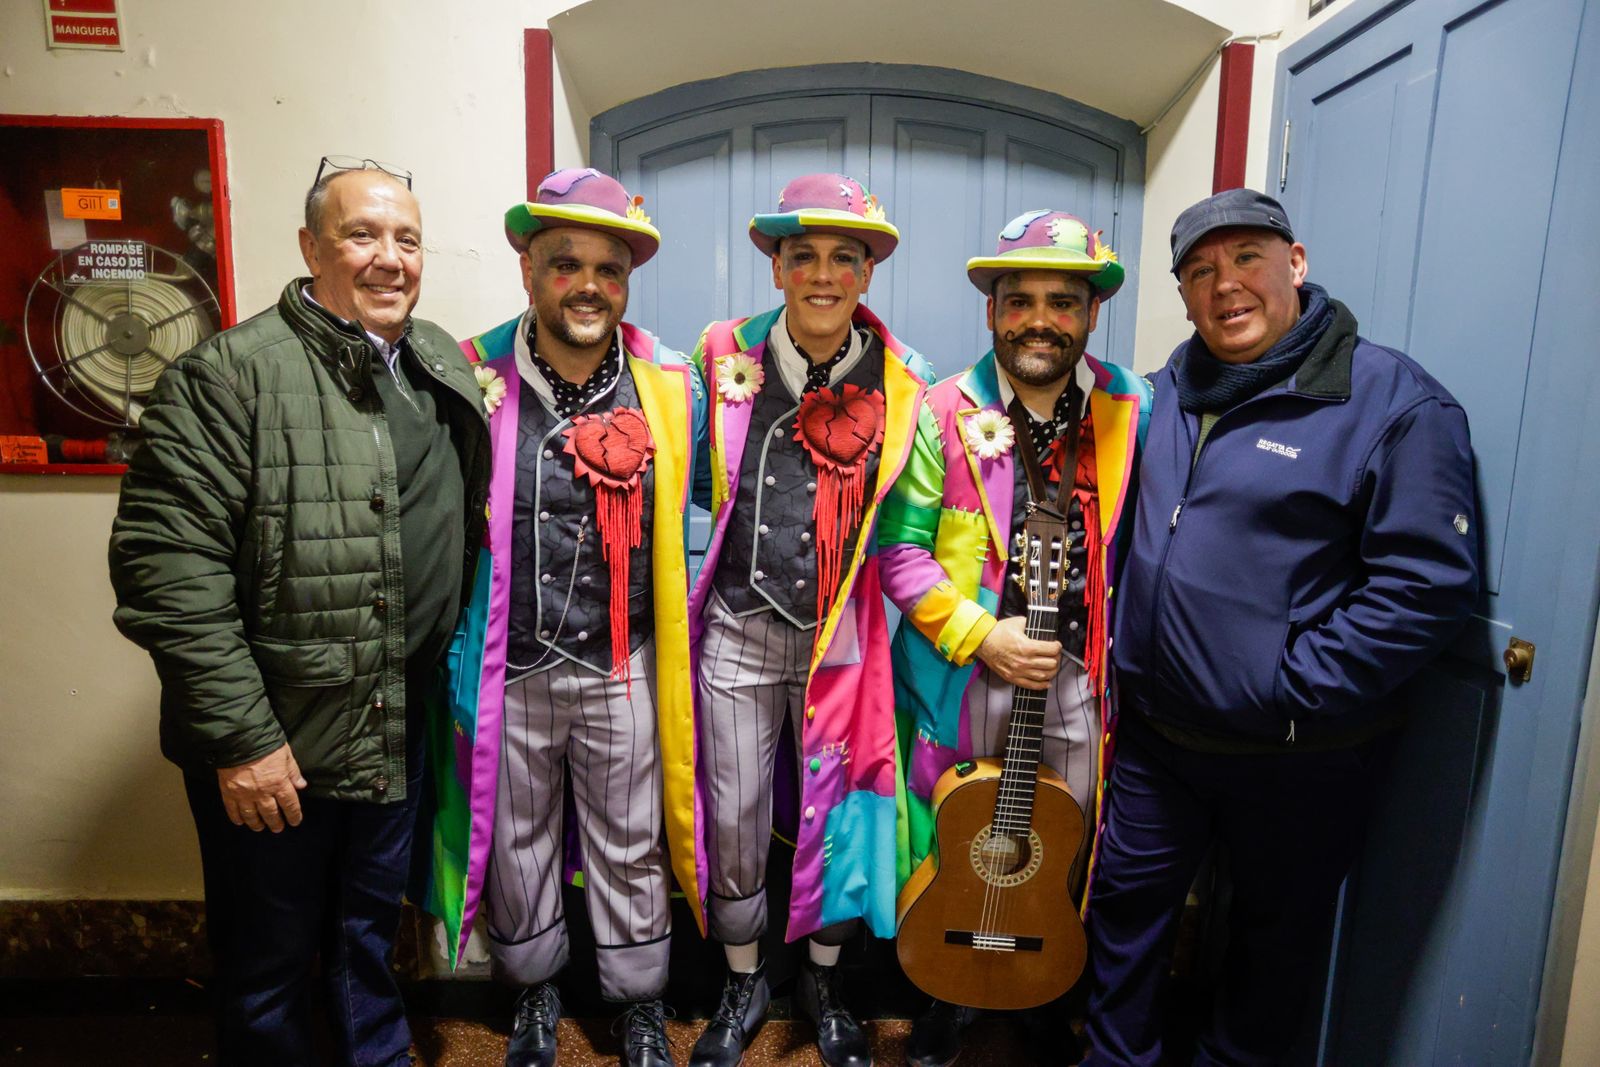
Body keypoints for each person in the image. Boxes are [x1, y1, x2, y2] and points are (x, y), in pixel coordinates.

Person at [1081, 188, 1480, 1066]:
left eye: (1246, 259)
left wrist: (1288, 684)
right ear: (1184, 295)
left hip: (1301, 757)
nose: (1225, 284)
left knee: (1271, 951)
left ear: (1295, 264)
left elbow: (1426, 587)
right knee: (1124, 918)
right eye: (1199, 271)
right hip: (1156, 743)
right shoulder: (1157, 396)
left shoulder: (1395, 403)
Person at [109, 158, 492, 1066]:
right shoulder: (227, 377)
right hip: (277, 739)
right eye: (362, 234)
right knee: (269, 962)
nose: (390, 257)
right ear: (311, 247)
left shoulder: (437, 359)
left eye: (407, 239)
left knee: (367, 938)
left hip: (394, 721)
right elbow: (167, 570)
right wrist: (242, 742)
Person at [414, 168, 709, 1067]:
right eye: (565, 264)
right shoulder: (468, 373)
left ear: (627, 282)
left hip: (623, 661)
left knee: (631, 842)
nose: (588, 285)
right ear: (528, 269)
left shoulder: (673, 385)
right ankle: (534, 993)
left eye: (608, 269)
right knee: (517, 839)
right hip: (507, 665)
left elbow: (720, 503)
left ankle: (639, 1002)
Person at [877, 211, 1151, 1066]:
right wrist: (979, 634)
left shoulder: (1133, 408)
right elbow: (899, 552)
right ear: (992, 310)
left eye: (1062, 302)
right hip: (964, 671)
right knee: (950, 831)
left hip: (1079, 674)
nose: (1040, 320)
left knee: (1063, 832)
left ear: (1091, 314)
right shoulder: (939, 411)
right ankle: (943, 989)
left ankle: (1040, 987)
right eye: (1019, 300)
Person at [684, 173, 934, 1067]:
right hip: (738, 625)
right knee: (735, 814)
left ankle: (825, 981)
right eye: (804, 256)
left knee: (843, 814)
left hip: (845, 637)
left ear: (867, 274)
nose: (823, 274)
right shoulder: (720, 354)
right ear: (778, 268)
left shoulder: (907, 381)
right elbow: (690, 482)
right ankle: (743, 977)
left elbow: (908, 524)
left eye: (843, 258)